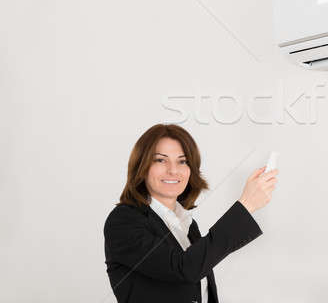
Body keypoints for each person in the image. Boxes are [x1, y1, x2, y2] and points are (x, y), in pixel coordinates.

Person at [103, 123, 278, 303]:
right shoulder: (123, 221)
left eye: (182, 161)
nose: (173, 170)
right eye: (160, 160)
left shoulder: (186, 223)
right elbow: (184, 268)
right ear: (142, 166)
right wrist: (246, 205)